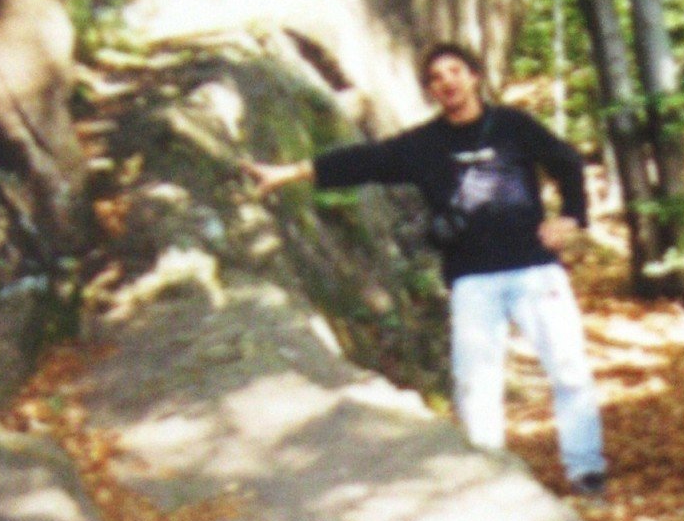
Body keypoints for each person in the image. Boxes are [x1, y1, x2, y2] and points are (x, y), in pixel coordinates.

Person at [245, 42, 607, 495]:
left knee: (569, 369)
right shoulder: (425, 144)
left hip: (534, 269)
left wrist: (572, 215)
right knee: (476, 382)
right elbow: (366, 161)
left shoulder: (513, 126)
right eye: (436, 78)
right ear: (431, 91)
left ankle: (586, 471)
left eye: (455, 71)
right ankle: (491, 479)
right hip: (472, 278)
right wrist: (291, 172)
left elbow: (567, 162)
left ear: (473, 76)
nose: (447, 82)